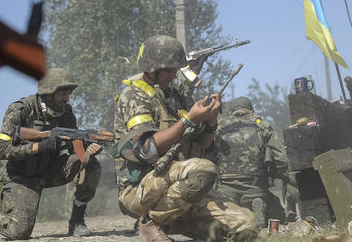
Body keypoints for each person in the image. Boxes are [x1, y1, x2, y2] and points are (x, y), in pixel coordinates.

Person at [113, 35, 256, 242]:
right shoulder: (134, 95)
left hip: (179, 190)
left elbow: (202, 149)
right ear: (152, 68)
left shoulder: (175, 98)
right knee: (203, 170)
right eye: (169, 70)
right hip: (140, 189)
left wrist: (210, 122)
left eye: (175, 69)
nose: (174, 75)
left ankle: (174, 220)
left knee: (247, 226)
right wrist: (188, 120)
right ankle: (152, 223)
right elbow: (146, 150)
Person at [0, 68, 102, 240]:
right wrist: (38, 147)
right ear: (48, 92)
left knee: (90, 163)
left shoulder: (66, 113)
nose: (67, 99)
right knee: (19, 232)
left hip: (49, 172)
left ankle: (77, 222)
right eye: (63, 94)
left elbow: (73, 150)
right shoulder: (20, 110)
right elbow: (0, 150)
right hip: (21, 177)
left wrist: (87, 149)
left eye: (69, 94)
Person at [214, 96, 291, 226]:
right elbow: (281, 158)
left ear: (230, 113)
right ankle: (259, 209)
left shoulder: (219, 126)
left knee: (226, 213)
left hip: (225, 190)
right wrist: (276, 174)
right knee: (279, 215)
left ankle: (231, 211)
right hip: (255, 188)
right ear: (251, 110)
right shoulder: (262, 124)